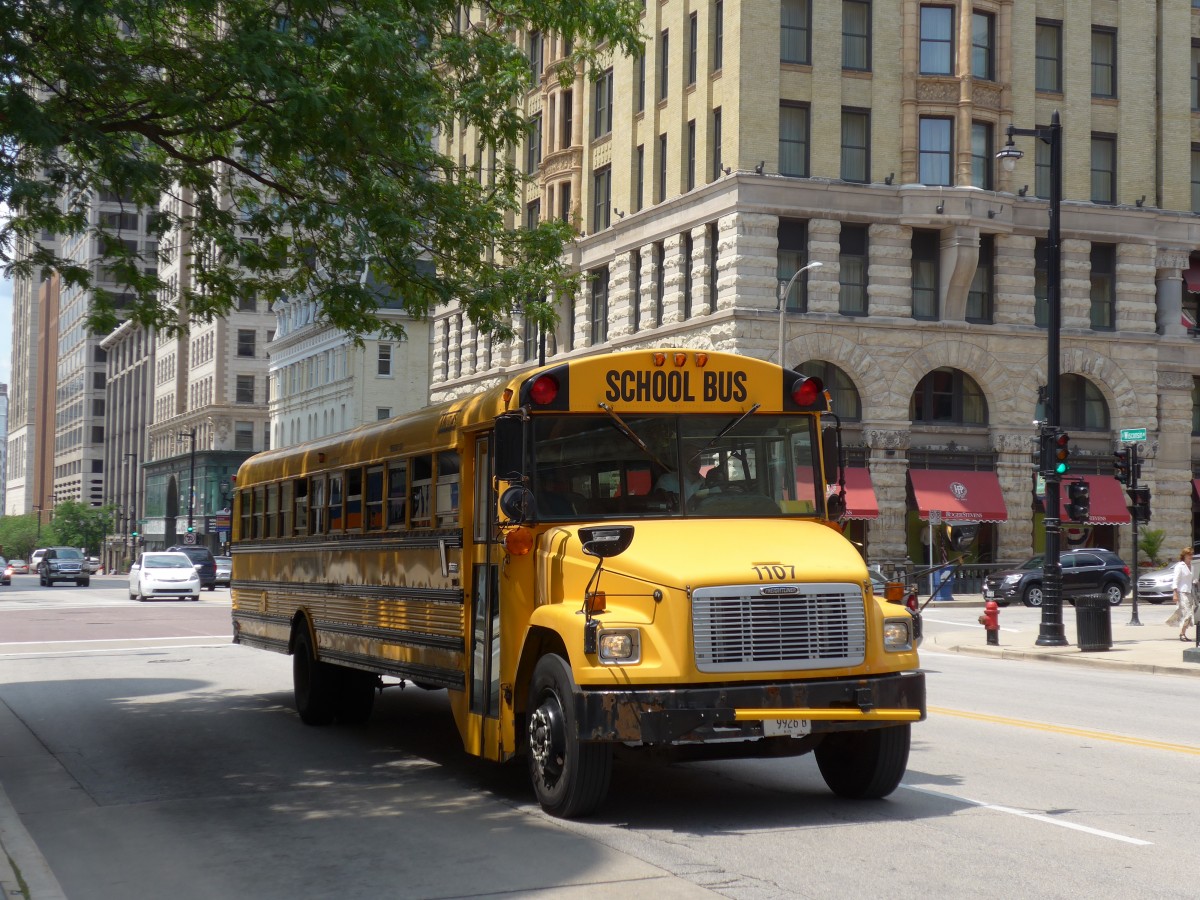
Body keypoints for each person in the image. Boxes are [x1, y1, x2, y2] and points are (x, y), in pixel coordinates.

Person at [1173, 547, 1195, 642]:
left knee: (1189, 614)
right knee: (1188, 613)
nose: (1191, 556)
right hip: (1182, 592)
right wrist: (1175, 593)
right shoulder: (1180, 566)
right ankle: (1182, 634)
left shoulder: (1192, 566)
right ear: (1184, 555)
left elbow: (1192, 579)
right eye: (1189, 554)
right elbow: (1176, 579)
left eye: (1191, 554)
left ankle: (1183, 633)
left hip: (1190, 592)